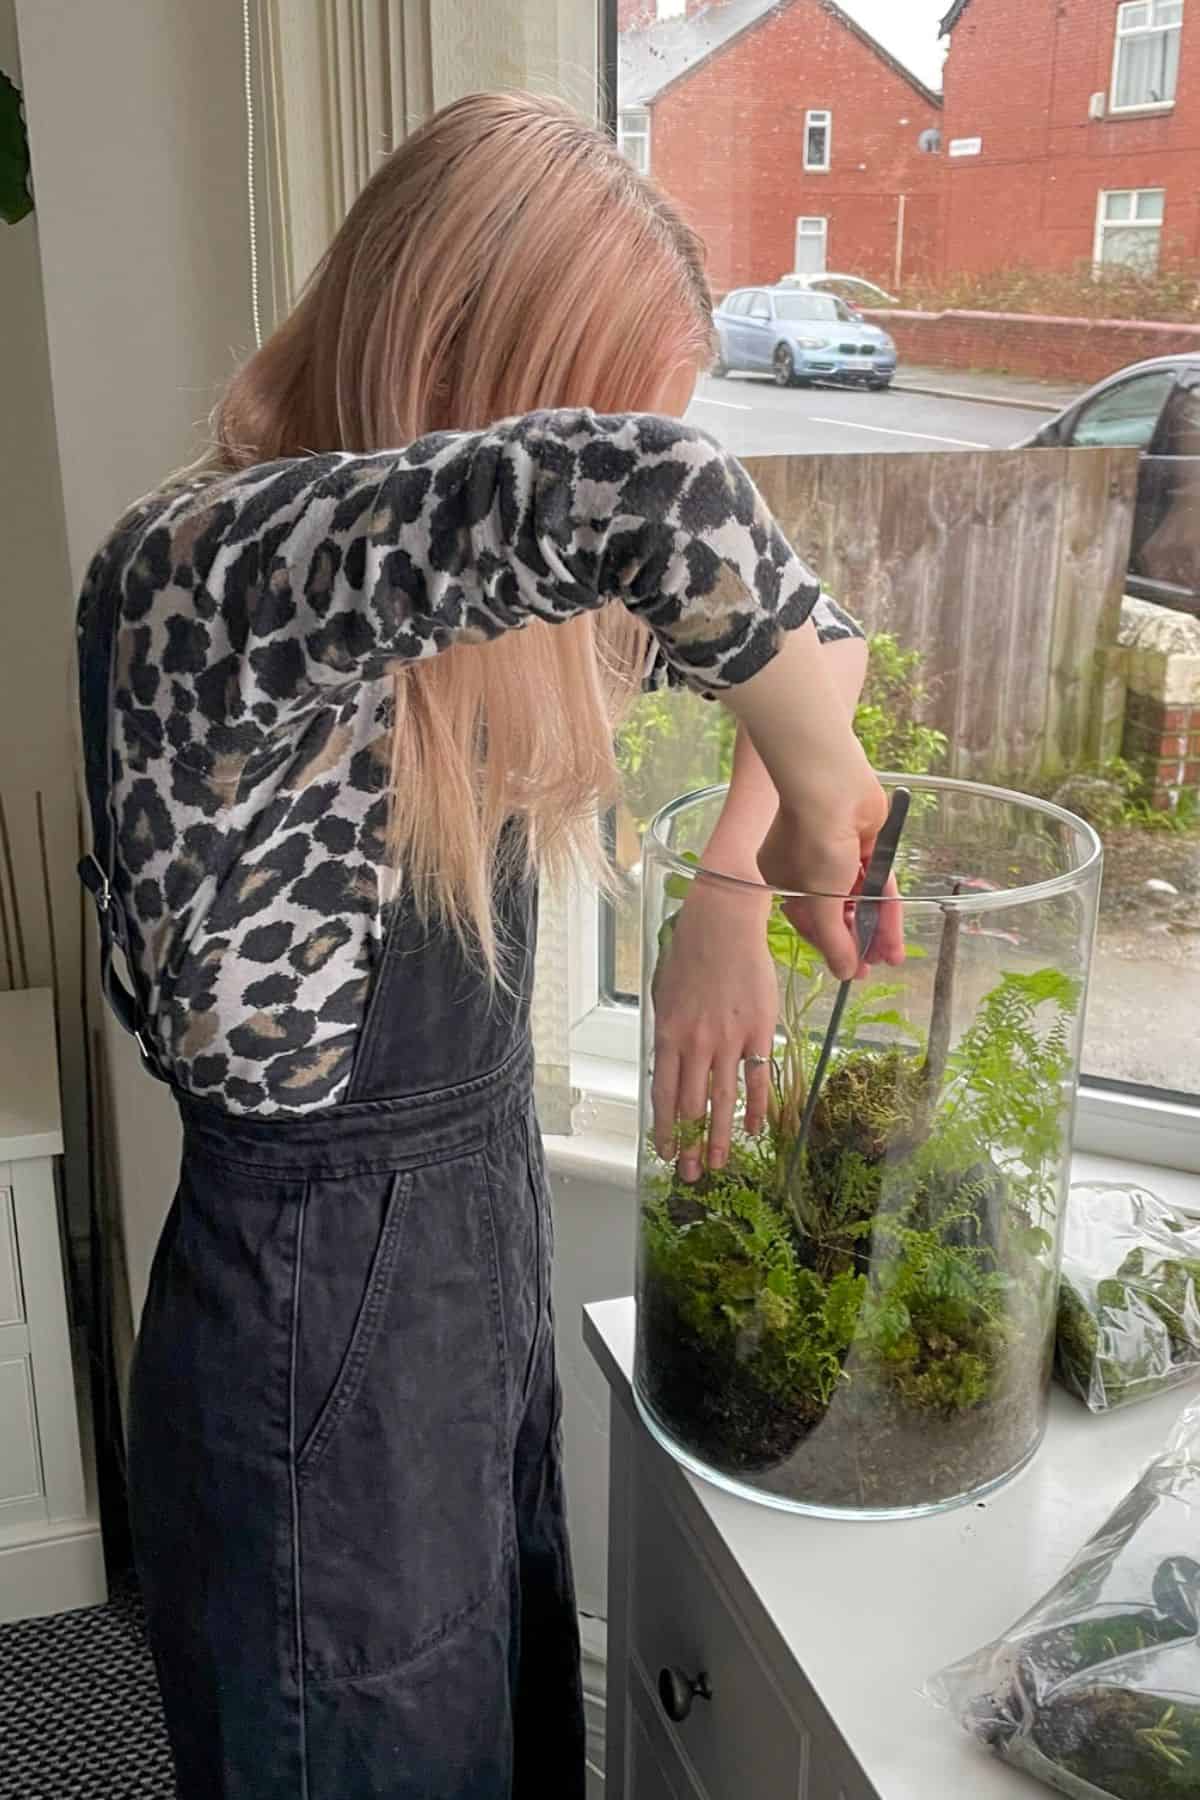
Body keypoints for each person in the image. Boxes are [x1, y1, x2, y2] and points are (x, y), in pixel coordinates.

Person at [75, 92, 893, 1800]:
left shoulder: (472, 612)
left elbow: (826, 648)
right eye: (595, 399)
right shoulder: (209, 584)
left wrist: (736, 897)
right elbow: (656, 501)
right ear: (474, 384)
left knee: (502, 1747)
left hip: (470, 1291)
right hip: (314, 1365)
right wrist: (823, 816)